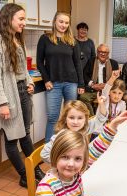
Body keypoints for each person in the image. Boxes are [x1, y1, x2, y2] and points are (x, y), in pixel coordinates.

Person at [0, 3, 45, 188]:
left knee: (25, 134)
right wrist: (3, 103)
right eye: (21, 19)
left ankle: (34, 168)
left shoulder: (17, 40)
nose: (24, 23)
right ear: (8, 19)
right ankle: (23, 175)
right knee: (12, 138)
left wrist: (28, 82)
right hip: (9, 96)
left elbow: (23, 70)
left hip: (22, 92)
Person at [35, 111, 127, 196]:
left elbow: (97, 148)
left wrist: (113, 125)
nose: (71, 164)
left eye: (77, 158)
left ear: (84, 160)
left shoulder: (77, 172)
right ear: (55, 156)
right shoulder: (46, 189)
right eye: (65, 157)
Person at [37, 12, 85, 143]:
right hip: (53, 84)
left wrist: (81, 84)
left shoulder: (72, 41)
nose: (63, 25)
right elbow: (39, 62)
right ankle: (49, 147)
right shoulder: (45, 39)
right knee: (53, 117)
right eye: (61, 22)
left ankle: (69, 144)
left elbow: (77, 64)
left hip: (71, 83)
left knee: (71, 116)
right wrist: (46, 79)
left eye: (66, 22)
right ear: (54, 22)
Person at [41, 94, 108, 163]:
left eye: (80, 118)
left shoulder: (84, 128)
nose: (75, 122)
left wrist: (101, 104)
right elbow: (44, 154)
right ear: (65, 119)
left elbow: (100, 119)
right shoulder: (61, 136)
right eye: (71, 118)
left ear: (85, 120)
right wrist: (64, 163)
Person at [79, 44, 119, 116]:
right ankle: (92, 117)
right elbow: (84, 75)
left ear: (108, 54)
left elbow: (118, 79)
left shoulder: (114, 63)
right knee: (83, 97)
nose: (102, 54)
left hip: (109, 90)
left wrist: (107, 86)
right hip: (93, 89)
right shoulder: (91, 61)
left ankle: (108, 117)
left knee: (115, 98)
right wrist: (93, 85)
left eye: (105, 52)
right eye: (100, 51)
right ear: (97, 52)